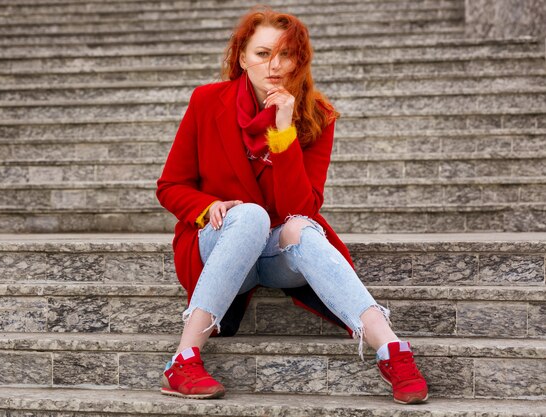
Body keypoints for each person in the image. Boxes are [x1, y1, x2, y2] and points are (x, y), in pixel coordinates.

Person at [155, 6, 428, 404]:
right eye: (263, 53)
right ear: (242, 56)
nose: (275, 65)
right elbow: (171, 185)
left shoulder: (316, 114)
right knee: (248, 215)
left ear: (299, 60)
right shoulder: (207, 101)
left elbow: (301, 206)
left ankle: (392, 350)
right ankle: (182, 360)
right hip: (218, 243)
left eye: (286, 54)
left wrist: (283, 131)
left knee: (301, 227)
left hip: (274, 255)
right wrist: (207, 206)